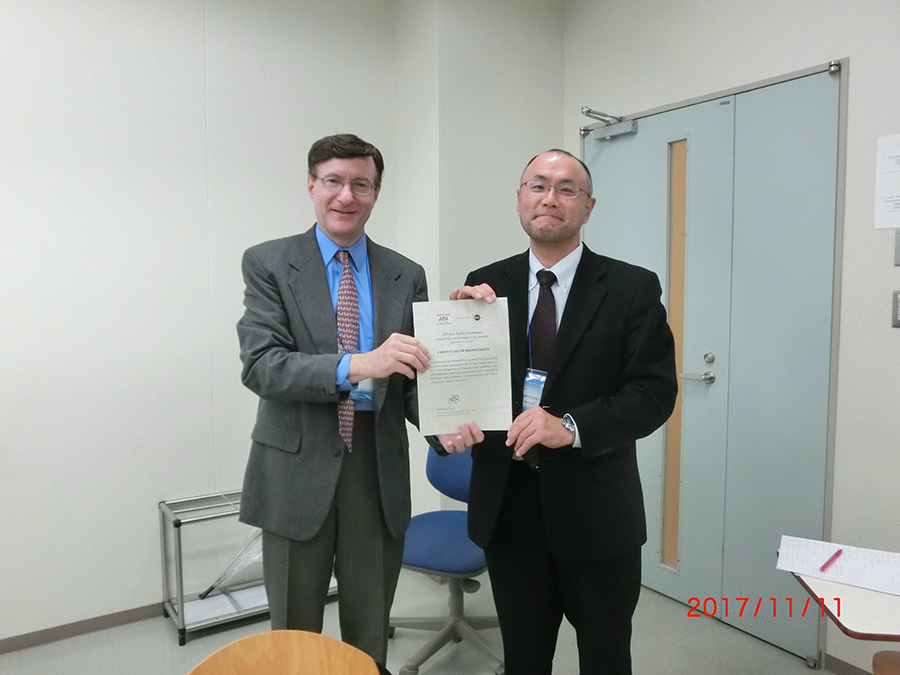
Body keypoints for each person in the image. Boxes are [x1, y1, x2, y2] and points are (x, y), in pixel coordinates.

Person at [441, 149, 678, 674]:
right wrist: (455, 342)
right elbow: (464, 384)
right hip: (509, 510)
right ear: (520, 199)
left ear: (588, 207)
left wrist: (571, 427)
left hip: (597, 511)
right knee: (524, 659)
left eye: (567, 189)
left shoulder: (631, 287)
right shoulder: (486, 284)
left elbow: (653, 392)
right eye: (538, 185)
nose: (550, 198)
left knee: (605, 658)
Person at [236, 133, 432, 667]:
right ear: (311, 186)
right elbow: (262, 365)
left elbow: (412, 381)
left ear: (376, 193)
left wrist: (449, 419)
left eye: (361, 184)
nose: (346, 195)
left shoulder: (405, 273)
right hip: (295, 465)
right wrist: (358, 364)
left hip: (376, 464)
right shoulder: (270, 263)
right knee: (294, 634)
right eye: (333, 181)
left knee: (369, 629)